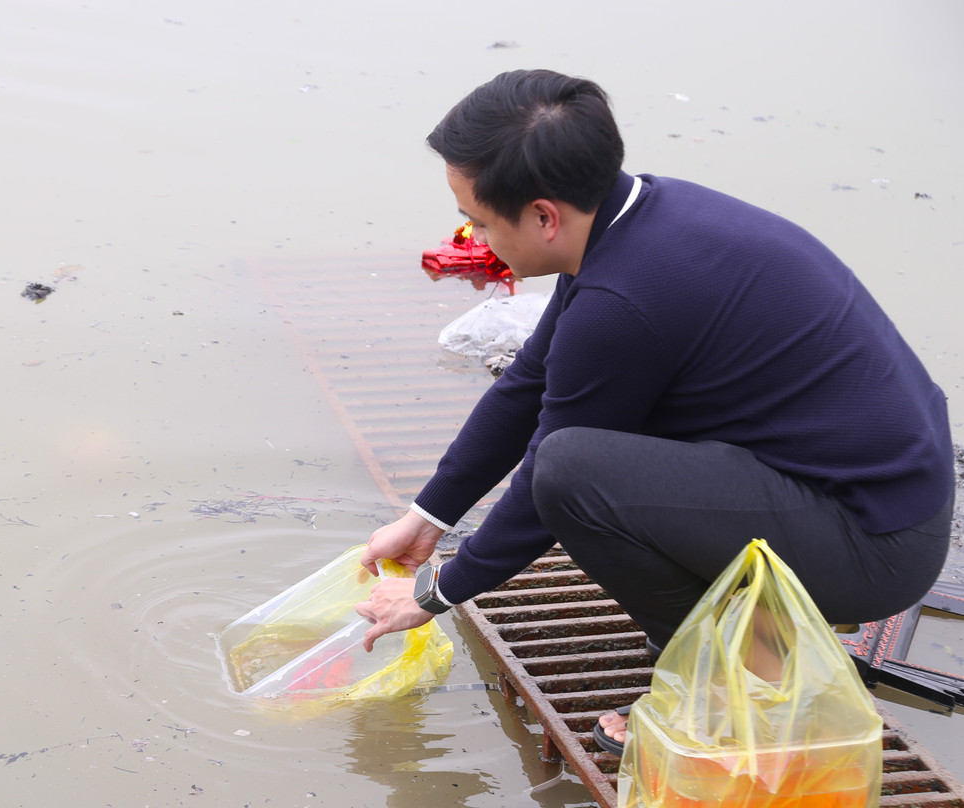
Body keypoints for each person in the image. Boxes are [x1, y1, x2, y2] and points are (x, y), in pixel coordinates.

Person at [354, 69, 954, 749]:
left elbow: (547, 483)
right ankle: (741, 640)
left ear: (544, 216)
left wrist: (433, 593)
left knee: (572, 473)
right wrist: (428, 515)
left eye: (481, 222)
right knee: (585, 450)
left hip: (873, 545)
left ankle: (730, 689)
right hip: (884, 495)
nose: (478, 238)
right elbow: (529, 382)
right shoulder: (637, 217)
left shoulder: (622, 304)